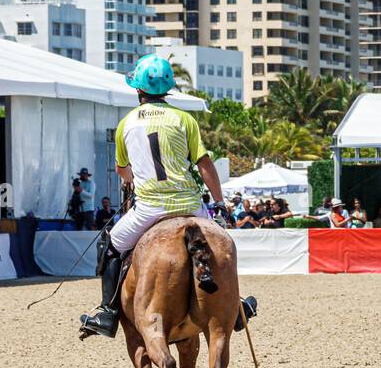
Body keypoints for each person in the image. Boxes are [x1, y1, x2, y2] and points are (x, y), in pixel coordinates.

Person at [79, 55, 254, 339]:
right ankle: (236, 307)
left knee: (111, 244)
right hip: (189, 205)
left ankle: (107, 314)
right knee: (222, 245)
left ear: (138, 89)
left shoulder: (126, 124)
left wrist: (133, 179)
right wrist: (219, 203)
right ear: (168, 88)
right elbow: (204, 165)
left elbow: (122, 171)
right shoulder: (185, 119)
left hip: (149, 208)